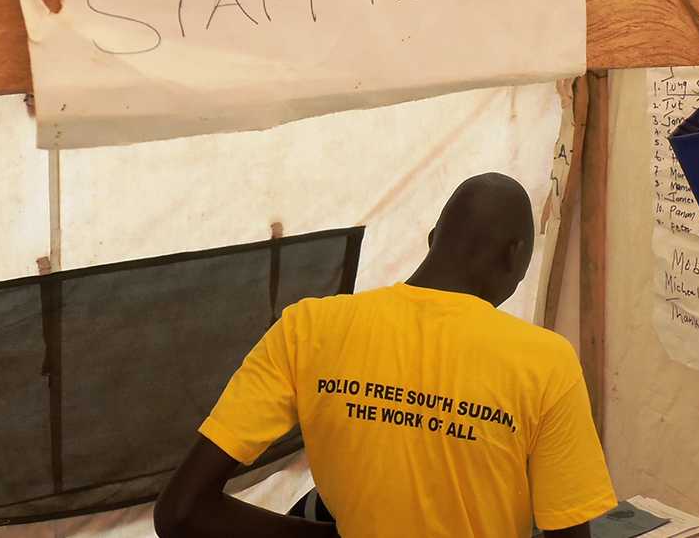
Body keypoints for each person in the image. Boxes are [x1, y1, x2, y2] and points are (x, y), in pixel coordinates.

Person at [155, 173, 616, 537]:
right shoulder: (546, 362)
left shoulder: (307, 327)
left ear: (433, 236)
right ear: (516, 255)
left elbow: (181, 512)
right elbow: (566, 529)